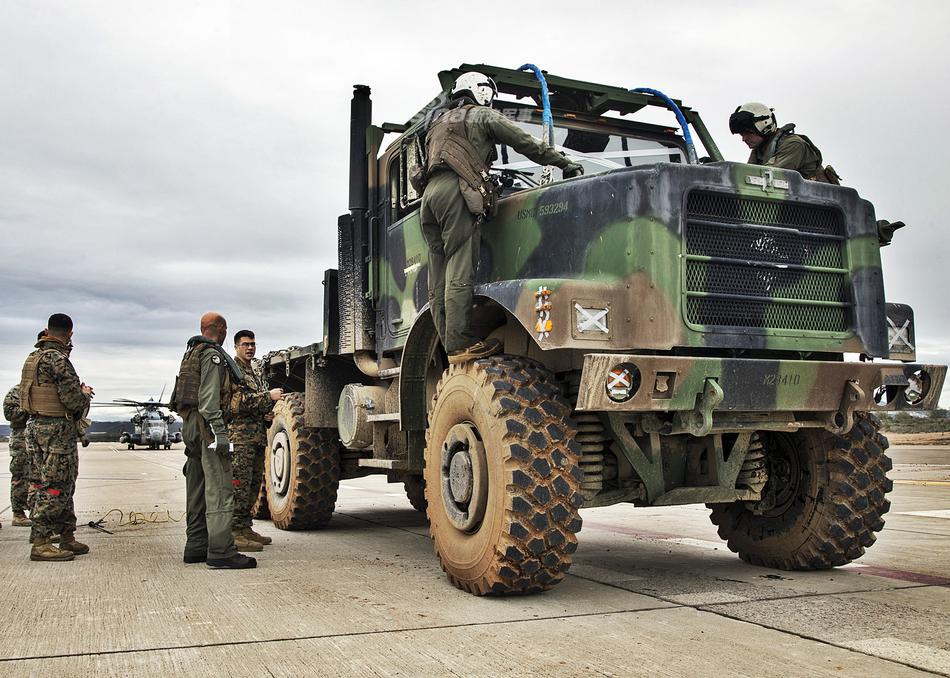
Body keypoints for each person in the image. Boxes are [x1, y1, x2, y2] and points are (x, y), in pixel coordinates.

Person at [418, 71, 585, 364]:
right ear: (480, 91)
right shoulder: (481, 115)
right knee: (460, 266)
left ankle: (448, 343)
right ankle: (459, 345)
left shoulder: (438, 123)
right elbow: (524, 142)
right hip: (457, 194)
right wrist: (563, 162)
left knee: (438, 276)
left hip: (429, 198)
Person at [171, 312, 256, 569]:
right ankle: (221, 551)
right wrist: (219, 433)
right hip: (207, 426)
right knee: (219, 486)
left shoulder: (191, 353)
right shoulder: (212, 355)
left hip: (190, 425)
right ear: (221, 329)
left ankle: (196, 545)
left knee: (196, 486)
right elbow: (209, 401)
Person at [19, 314, 93, 561]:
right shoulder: (58, 360)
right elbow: (73, 401)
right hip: (56, 433)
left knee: (52, 483)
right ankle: (41, 542)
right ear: (69, 333)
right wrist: (84, 394)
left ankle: (66, 536)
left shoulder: (33, 358)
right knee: (56, 487)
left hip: (35, 429)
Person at [228, 329, 283, 552]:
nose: (250, 348)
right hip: (240, 438)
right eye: (245, 344)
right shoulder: (233, 371)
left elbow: (255, 405)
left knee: (252, 487)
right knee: (239, 487)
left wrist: (266, 414)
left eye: (253, 344)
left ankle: (245, 528)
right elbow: (236, 403)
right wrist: (267, 397)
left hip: (257, 436)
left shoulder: (254, 371)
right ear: (236, 347)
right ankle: (233, 532)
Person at [728, 102, 839, 183]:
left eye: (748, 133)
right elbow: (747, 177)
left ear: (764, 125)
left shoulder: (793, 144)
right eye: (742, 135)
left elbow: (768, 175)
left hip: (819, 205)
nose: (744, 139)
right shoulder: (760, 150)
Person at [4, 383, 33, 528]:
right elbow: (9, 413)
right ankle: (18, 513)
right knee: (20, 475)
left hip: (39, 437)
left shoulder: (44, 389)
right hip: (21, 438)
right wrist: (30, 410)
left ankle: (36, 511)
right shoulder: (17, 391)